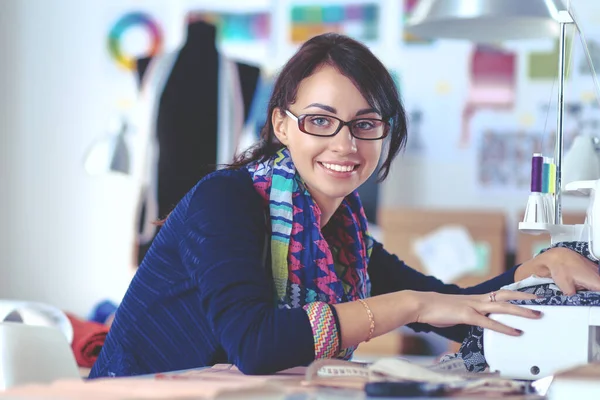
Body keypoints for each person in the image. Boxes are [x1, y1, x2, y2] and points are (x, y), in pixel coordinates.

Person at [89, 33, 600, 378]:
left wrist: (531, 273)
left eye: (365, 123)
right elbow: (256, 345)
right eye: (319, 120)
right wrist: (408, 305)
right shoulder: (224, 201)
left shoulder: (346, 240)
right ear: (281, 125)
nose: (345, 143)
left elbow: (457, 312)